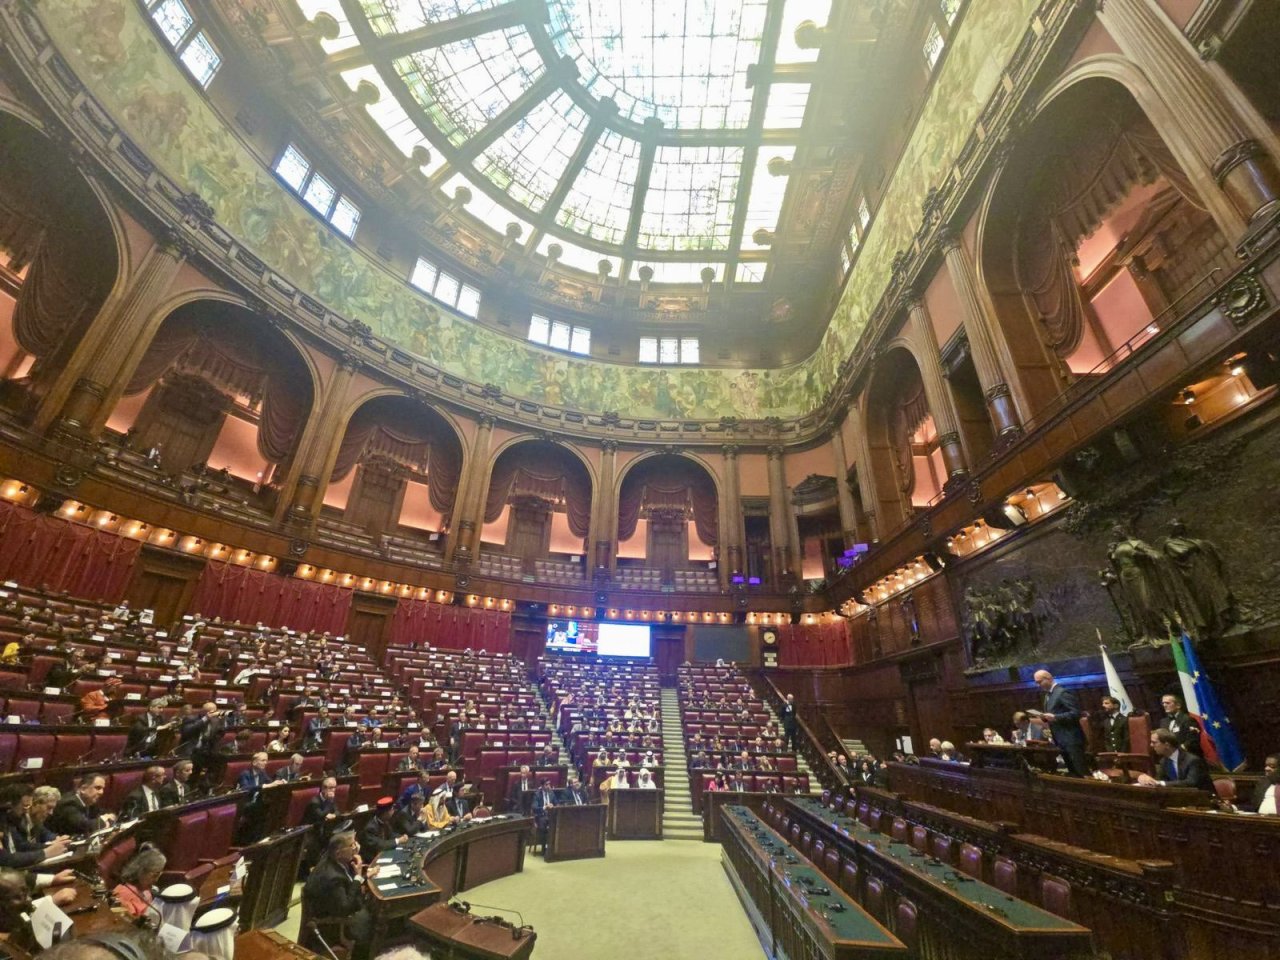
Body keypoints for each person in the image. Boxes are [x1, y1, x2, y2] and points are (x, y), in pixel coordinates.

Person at [301, 831, 375, 958]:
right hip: (331, 926)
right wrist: (358, 877)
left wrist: (361, 874)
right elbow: (345, 908)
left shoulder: (333, 860)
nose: (355, 847)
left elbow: (348, 882)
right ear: (339, 853)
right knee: (373, 920)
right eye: (351, 845)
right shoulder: (333, 878)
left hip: (335, 908)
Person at [1033, 669, 1089, 777]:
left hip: (1071, 738)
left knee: (1081, 772)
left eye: (1039, 682)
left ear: (1048, 678)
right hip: (1060, 738)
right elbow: (1053, 714)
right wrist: (1044, 717)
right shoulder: (1047, 695)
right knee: (1072, 773)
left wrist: (1055, 717)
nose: (1038, 685)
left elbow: (1076, 713)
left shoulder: (1062, 692)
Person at [1136, 729, 1212, 790]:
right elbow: (1158, 781)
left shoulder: (1193, 760)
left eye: (1154, 742)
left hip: (1204, 801)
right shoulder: (1164, 761)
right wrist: (1145, 779)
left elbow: (1191, 783)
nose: (1151, 745)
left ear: (1167, 745)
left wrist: (1161, 783)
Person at [48, 774, 115, 836]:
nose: (101, 792)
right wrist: (105, 818)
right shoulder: (68, 804)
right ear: (83, 789)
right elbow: (84, 826)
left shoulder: (89, 801)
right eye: (97, 788)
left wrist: (109, 816)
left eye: (103, 789)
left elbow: (104, 812)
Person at [112, 845, 166, 920]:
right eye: (154, 875)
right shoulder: (123, 894)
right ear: (141, 871)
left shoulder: (147, 891)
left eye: (159, 875)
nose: (156, 880)